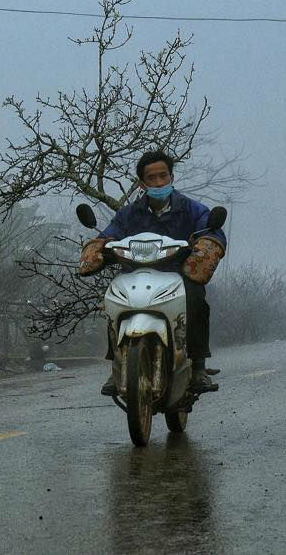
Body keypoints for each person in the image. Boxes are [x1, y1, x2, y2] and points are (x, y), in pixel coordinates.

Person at [78, 150, 227, 394]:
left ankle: (198, 366)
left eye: (163, 176)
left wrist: (206, 245)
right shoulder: (128, 214)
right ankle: (117, 367)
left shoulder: (192, 209)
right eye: (152, 178)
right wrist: (98, 250)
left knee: (196, 299)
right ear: (141, 182)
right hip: (135, 274)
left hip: (179, 275)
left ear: (171, 177)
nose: (158, 183)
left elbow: (211, 229)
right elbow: (109, 234)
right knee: (115, 298)